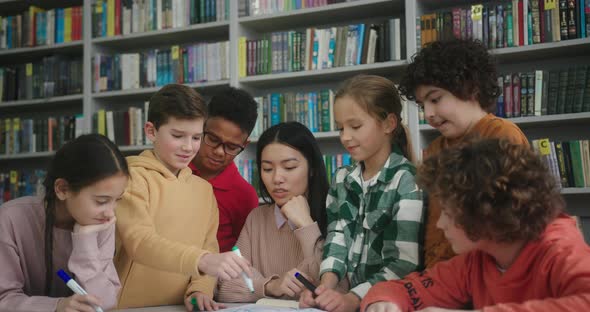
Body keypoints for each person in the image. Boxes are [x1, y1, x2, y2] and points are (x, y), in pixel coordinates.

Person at [361, 138, 590, 312]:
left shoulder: (559, 249)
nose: (440, 224)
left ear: (485, 213)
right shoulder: (476, 261)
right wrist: (383, 302)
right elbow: (403, 289)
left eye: (448, 214)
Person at [114, 84, 252, 311]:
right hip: (128, 306)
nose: (188, 147)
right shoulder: (132, 177)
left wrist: (200, 289)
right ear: (151, 131)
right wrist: (202, 260)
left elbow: (209, 247)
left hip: (178, 307)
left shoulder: (204, 191)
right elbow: (139, 242)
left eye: (197, 137)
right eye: (178, 136)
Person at [398, 39, 529, 268]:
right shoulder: (436, 149)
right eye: (422, 105)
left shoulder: (501, 135)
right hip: (440, 273)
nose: (428, 113)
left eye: (435, 99)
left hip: (483, 273)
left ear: (471, 87)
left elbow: (508, 225)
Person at [300, 75, 424, 312]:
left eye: (355, 126)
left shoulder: (407, 181)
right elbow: (336, 239)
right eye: (340, 128)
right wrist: (325, 288)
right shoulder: (341, 178)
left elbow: (404, 263)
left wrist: (353, 298)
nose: (345, 137)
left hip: (389, 305)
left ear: (388, 124)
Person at [217, 122, 349, 302]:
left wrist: (307, 226)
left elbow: (340, 290)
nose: (277, 178)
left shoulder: (336, 213)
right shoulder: (257, 218)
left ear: (312, 169)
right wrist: (270, 286)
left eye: (289, 167)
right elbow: (225, 285)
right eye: (267, 169)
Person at [0, 134, 129, 312]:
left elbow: (105, 302)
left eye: (117, 200)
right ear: (62, 189)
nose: (110, 212)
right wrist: (56, 306)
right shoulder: (9, 219)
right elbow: (4, 298)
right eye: (101, 201)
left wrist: (85, 242)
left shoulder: (101, 223)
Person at [190, 86, 259, 253]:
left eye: (232, 147)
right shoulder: (175, 167)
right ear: (200, 126)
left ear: (244, 145)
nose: (219, 152)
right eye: (213, 139)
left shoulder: (244, 195)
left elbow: (244, 254)